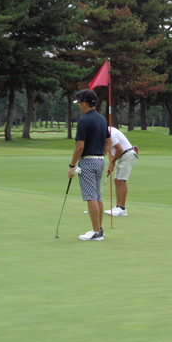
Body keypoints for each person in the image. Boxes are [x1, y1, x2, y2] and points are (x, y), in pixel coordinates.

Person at [68, 89, 112, 241]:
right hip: (100, 160)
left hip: (87, 161)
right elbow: (108, 143)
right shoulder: (102, 119)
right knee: (97, 196)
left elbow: (80, 146)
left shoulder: (84, 121)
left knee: (90, 197)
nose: (80, 105)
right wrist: (101, 155)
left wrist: (72, 165)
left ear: (85, 103)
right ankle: (99, 229)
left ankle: (96, 231)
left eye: (80, 102)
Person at [104, 126, 138, 217]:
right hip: (121, 156)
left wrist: (113, 162)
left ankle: (122, 208)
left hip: (127, 154)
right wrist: (111, 163)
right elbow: (110, 149)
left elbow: (119, 149)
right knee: (117, 180)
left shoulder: (110, 133)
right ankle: (118, 206)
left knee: (121, 180)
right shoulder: (104, 133)